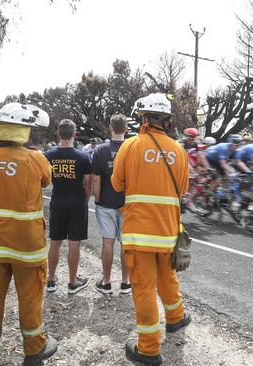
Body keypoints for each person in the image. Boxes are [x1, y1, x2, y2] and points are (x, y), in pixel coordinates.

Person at [0, 103, 57, 366]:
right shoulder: (35, 159)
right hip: (27, 244)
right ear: (24, 130)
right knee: (29, 296)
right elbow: (46, 181)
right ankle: (34, 349)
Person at [112, 93, 191, 366]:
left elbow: (117, 184)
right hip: (168, 230)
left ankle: (148, 349)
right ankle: (176, 317)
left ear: (143, 118)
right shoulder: (179, 151)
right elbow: (182, 190)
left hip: (138, 233)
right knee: (167, 278)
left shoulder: (130, 146)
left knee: (144, 288)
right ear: (166, 121)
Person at [44, 119, 92, 294]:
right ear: (74, 134)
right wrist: (84, 201)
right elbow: (88, 183)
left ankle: (51, 280)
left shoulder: (48, 156)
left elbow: (43, 181)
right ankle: (72, 282)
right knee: (74, 243)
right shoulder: (83, 157)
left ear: (58, 134)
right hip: (77, 202)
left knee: (55, 242)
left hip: (57, 202)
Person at [92, 114, 131, 294]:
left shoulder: (100, 150)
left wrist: (98, 200)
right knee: (125, 244)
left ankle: (106, 282)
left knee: (107, 242)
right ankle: (125, 282)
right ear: (126, 129)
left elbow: (96, 181)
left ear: (110, 128)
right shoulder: (132, 148)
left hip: (106, 202)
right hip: (127, 203)